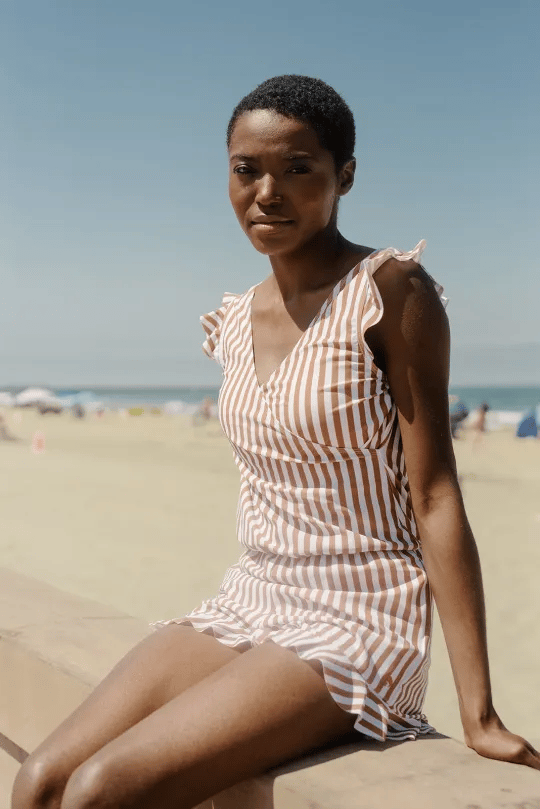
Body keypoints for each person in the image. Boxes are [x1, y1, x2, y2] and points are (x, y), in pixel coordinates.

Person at [12, 75, 540, 809]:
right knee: (38, 781)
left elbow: (436, 495)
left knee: (104, 790)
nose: (268, 191)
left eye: (298, 169)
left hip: (358, 617)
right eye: (246, 169)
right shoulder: (231, 319)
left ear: (344, 176)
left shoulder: (390, 293)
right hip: (250, 599)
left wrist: (478, 711)